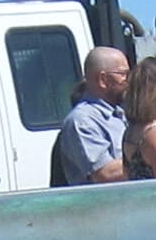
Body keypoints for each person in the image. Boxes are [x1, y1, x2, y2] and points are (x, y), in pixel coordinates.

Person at [50, 44, 131, 186]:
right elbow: (105, 174)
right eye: (123, 74)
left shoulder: (120, 114)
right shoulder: (82, 121)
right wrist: (151, 159)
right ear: (103, 80)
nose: (128, 81)